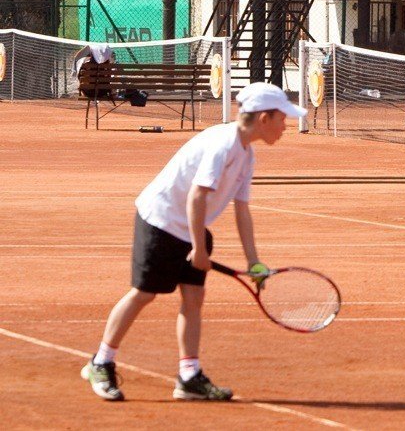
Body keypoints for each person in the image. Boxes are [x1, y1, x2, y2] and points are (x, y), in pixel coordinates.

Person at [80, 83, 308, 402]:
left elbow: (242, 210)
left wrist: (253, 262)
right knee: (144, 294)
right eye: (284, 118)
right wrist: (199, 249)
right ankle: (100, 361)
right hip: (160, 219)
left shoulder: (246, 153)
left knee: (193, 298)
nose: (287, 125)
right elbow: (197, 196)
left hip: (190, 227)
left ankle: (189, 376)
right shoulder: (224, 143)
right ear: (265, 117)